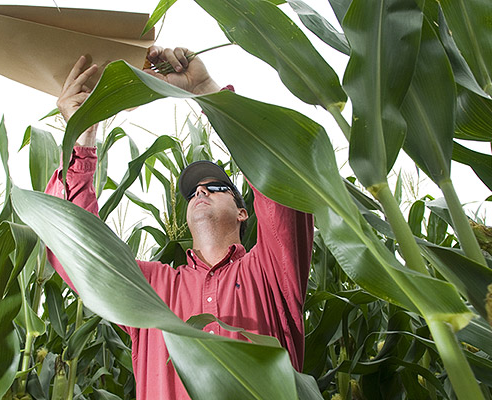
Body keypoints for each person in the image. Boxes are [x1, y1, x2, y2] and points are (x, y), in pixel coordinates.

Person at [45, 46, 314, 400]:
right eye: (192, 192)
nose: (200, 191)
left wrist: (206, 91)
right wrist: (83, 133)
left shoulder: (271, 274)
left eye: (215, 187)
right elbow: (78, 250)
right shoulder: (154, 289)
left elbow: (280, 186)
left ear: (242, 211)